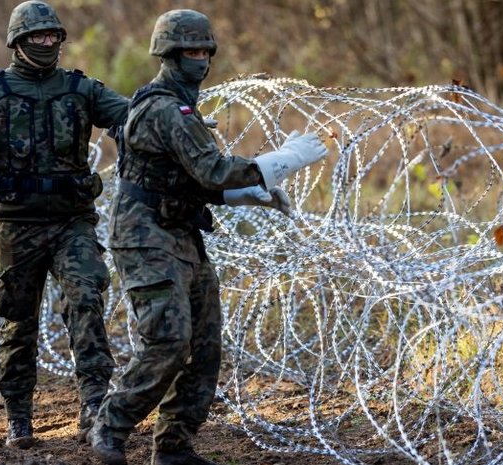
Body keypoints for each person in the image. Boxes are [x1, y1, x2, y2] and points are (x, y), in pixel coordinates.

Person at [86, 9, 330, 465]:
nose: (198, 59)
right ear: (168, 54)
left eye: (204, 51)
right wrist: (281, 161)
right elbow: (211, 170)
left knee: (204, 346)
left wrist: (247, 194)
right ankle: (110, 424)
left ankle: (174, 448)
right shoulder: (165, 108)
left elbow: (190, 178)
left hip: (179, 232)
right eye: (189, 52)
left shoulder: (182, 107)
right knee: (168, 340)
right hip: (145, 236)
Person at [0, 0, 129, 450]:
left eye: (52, 36)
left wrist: (171, 123)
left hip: (71, 220)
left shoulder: (81, 89)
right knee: (18, 321)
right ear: (18, 42)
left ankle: (94, 404)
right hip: (15, 223)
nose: (46, 43)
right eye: (37, 37)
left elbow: (130, 116)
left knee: (86, 299)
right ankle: (19, 416)